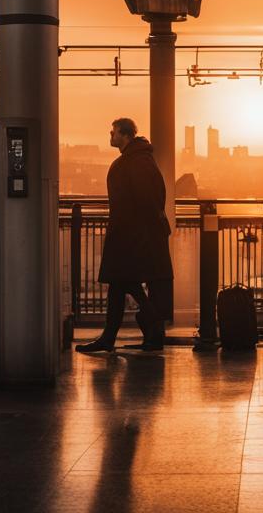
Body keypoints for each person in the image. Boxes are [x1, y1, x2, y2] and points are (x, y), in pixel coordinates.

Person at [76, 118, 172, 354]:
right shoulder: (140, 159)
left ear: (126, 135)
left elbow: (143, 201)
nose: (110, 135)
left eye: (114, 132)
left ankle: (135, 330)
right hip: (135, 235)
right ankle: (126, 334)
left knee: (123, 282)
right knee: (119, 286)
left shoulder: (135, 161)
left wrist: (131, 229)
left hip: (131, 236)